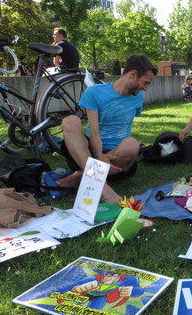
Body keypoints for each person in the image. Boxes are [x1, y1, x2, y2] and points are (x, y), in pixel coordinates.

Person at [57, 54, 157, 204]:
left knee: (132, 144)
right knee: (69, 121)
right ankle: (103, 188)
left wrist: (106, 157)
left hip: (118, 161)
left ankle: (84, 175)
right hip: (91, 153)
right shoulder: (94, 93)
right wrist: (99, 156)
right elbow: (95, 132)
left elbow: (124, 129)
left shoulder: (138, 98)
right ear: (133, 74)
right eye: (145, 82)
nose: (146, 88)